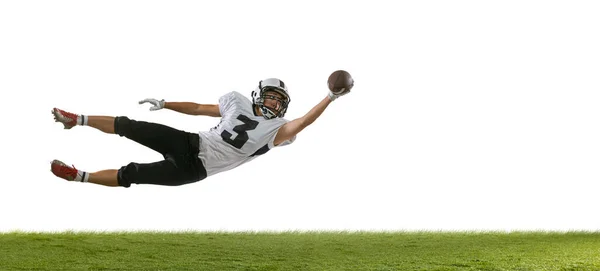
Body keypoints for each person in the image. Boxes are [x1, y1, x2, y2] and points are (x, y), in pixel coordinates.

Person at [50, 78, 349, 188]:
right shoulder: (238, 103)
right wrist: (166, 103)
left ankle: (79, 176)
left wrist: (330, 97)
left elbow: (305, 122)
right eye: (270, 96)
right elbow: (197, 108)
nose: (273, 102)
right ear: (259, 95)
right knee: (129, 126)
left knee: (132, 174)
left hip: (195, 169)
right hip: (190, 142)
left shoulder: (278, 131)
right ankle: (76, 119)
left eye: (277, 100)